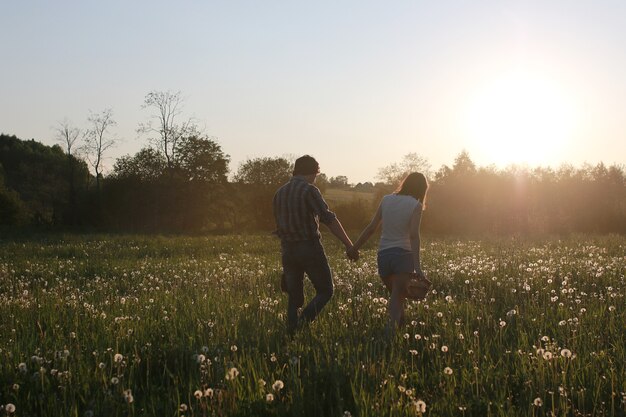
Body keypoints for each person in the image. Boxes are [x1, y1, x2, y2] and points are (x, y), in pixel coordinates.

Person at [273, 155, 357, 334]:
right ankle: (302, 325)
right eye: (316, 174)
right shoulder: (309, 190)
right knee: (326, 290)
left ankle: (290, 332)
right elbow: (329, 219)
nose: (315, 178)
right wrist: (349, 245)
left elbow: (280, 227)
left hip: (287, 250)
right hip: (308, 247)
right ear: (312, 172)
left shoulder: (279, 193)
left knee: (294, 297)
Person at [348, 172, 428, 332]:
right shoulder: (416, 205)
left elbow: (371, 228)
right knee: (398, 297)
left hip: (384, 256)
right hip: (403, 256)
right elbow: (413, 235)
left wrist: (354, 247)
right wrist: (418, 267)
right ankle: (388, 337)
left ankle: (402, 328)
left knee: (397, 297)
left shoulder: (386, 200)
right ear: (422, 189)